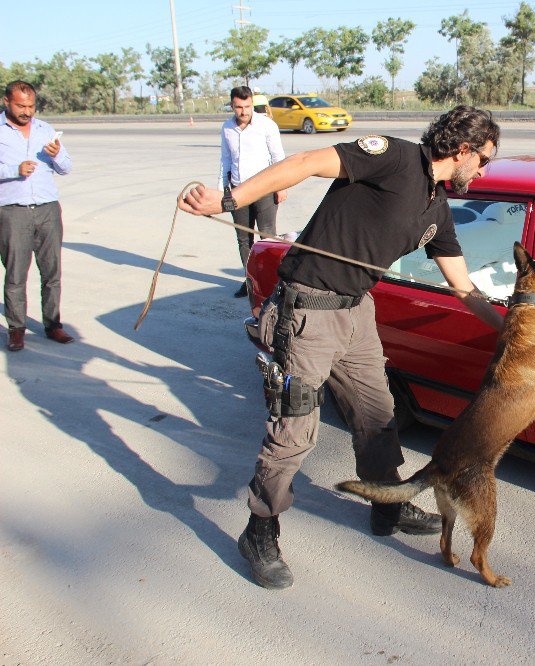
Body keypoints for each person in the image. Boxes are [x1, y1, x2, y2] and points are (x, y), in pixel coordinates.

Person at [180, 105, 504, 589]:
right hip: (308, 311)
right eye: (483, 159)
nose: (483, 171)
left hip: (357, 312)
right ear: (461, 149)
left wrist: (510, 331)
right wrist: (230, 200)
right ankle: (260, 530)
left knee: (377, 413)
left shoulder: (437, 208)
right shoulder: (396, 157)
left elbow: (464, 288)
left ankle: (386, 506)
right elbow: (308, 160)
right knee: (295, 430)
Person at [0, 80, 74, 352]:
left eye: (31, 106)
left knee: (52, 271)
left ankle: (53, 325)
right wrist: (13, 170)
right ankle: (17, 330)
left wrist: (57, 156)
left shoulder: (45, 130)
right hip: (12, 212)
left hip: (47, 210)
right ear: (6, 101)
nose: (27, 111)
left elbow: (66, 168)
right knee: (16, 275)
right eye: (21, 105)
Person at [220, 86, 286, 298]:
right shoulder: (227, 128)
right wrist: (223, 190)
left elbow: (278, 157)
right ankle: (250, 282)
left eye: (247, 106)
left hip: (264, 189)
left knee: (267, 237)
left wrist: (281, 185)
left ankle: (271, 283)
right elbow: (225, 160)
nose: (244, 111)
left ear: (252, 104)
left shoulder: (266, 125)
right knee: (243, 239)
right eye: (239, 107)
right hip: (238, 191)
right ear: (232, 105)